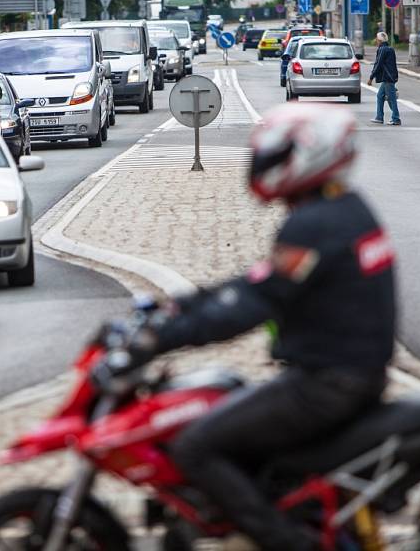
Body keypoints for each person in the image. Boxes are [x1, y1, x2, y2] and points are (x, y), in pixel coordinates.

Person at [114, 103, 396, 551]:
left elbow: (252, 304)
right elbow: (260, 282)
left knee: (195, 445)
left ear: (309, 154)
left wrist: (161, 337)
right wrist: (181, 308)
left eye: (274, 154)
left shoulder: (314, 224)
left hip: (326, 383)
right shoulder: (343, 207)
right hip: (348, 374)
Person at [368, 32, 401, 126]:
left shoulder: (382, 49)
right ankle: (379, 117)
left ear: (379, 40)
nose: (376, 41)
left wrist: (371, 77)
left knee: (392, 98)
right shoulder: (390, 49)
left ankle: (396, 118)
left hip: (387, 78)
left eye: (376, 40)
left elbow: (378, 64)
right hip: (390, 77)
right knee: (380, 96)